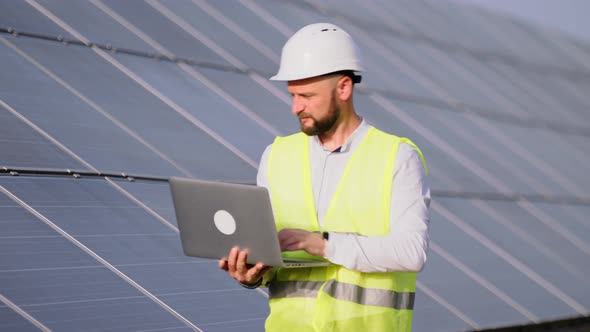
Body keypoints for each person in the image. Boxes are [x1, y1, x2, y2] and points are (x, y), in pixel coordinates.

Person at [219, 22, 430, 331]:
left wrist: (323, 245)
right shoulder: (276, 156)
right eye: (292, 94)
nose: (295, 107)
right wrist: (253, 275)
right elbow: (271, 256)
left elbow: (412, 252)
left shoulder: (397, 157)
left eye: (306, 95)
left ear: (344, 88)